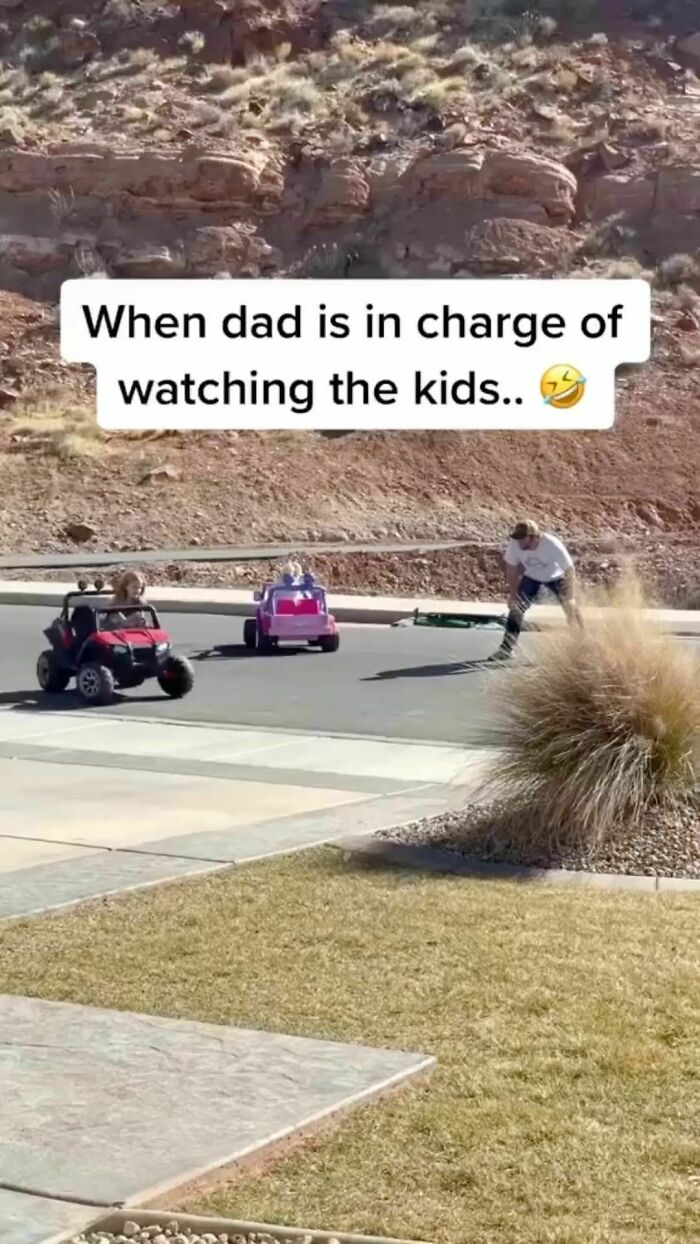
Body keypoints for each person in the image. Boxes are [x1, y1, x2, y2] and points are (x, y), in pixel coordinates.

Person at [490, 519, 583, 661]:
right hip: (531, 577)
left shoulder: (552, 545)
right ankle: (506, 650)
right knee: (516, 609)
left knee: (571, 608)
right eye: (517, 539)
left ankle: (582, 646)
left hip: (556, 577)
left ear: (533, 537)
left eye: (523, 539)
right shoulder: (515, 544)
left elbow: (570, 570)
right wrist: (513, 595)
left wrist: (570, 597)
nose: (519, 543)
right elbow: (511, 568)